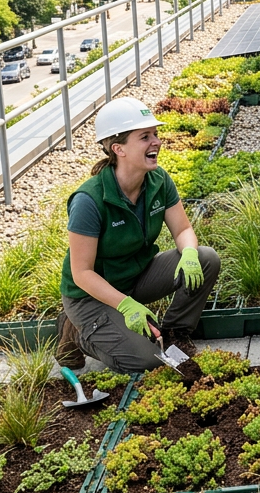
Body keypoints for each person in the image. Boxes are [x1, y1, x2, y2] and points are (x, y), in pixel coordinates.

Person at [56, 97, 221, 372]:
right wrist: (125, 305)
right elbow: (82, 273)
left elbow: (182, 230)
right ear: (118, 148)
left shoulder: (157, 181)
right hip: (91, 295)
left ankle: (175, 332)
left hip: (136, 276)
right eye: (145, 137)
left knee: (206, 258)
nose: (156, 141)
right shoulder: (89, 200)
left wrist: (189, 252)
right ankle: (75, 332)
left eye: (155, 134)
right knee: (146, 362)